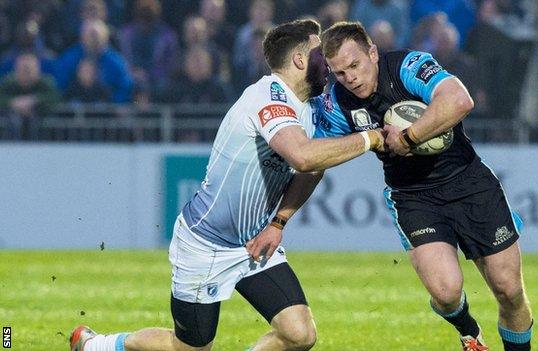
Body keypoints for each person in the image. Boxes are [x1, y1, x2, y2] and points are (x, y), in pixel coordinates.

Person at [69, 19, 384, 351]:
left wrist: (278, 223)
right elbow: (304, 157)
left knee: (299, 334)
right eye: (321, 51)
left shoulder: (315, 106)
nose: (329, 60)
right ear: (300, 60)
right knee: (188, 347)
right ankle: (94, 345)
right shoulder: (268, 96)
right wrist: (371, 138)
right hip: (205, 245)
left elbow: (312, 169)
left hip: (255, 242)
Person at [313, 21, 533, 351]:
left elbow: (460, 100)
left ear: (372, 53)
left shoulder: (408, 66)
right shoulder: (337, 104)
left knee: (509, 291)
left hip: (469, 181)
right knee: (445, 293)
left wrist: (409, 137)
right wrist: (280, 216)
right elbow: (315, 156)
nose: (350, 78)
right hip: (413, 196)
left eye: (355, 65)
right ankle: (468, 331)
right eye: (340, 73)